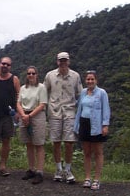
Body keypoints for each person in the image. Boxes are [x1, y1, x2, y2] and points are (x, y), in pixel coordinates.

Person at [44, 52, 83, 183]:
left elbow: (80, 94)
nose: (63, 63)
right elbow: (44, 92)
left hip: (70, 112)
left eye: (65, 60)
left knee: (69, 143)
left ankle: (67, 169)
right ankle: (58, 169)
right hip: (54, 112)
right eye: (61, 60)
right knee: (56, 142)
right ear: (57, 62)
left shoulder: (75, 76)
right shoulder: (50, 75)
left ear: (69, 61)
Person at [74, 70, 110, 190]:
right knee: (87, 153)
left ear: (96, 80)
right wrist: (77, 125)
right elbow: (79, 108)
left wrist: (105, 125)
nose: (90, 81)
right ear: (85, 81)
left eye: (92, 79)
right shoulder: (84, 92)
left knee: (98, 152)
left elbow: (106, 109)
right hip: (84, 123)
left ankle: (97, 179)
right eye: (88, 79)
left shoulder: (102, 93)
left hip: (96, 124)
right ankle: (88, 178)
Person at [0, 57, 20, 176]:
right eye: (3, 63)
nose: (5, 66)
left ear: (10, 67)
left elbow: (18, 96)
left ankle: (3, 166)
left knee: (6, 141)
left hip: (8, 116)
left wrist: (17, 112)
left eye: (8, 64)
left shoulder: (14, 79)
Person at [16, 66, 47, 184]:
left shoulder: (41, 87)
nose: (31, 75)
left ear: (37, 74)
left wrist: (29, 116)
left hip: (37, 116)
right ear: (26, 75)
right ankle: (31, 169)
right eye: (29, 73)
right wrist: (24, 115)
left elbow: (42, 104)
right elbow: (18, 103)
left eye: (33, 73)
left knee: (38, 144)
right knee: (28, 144)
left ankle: (39, 172)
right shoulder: (23, 88)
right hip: (24, 115)